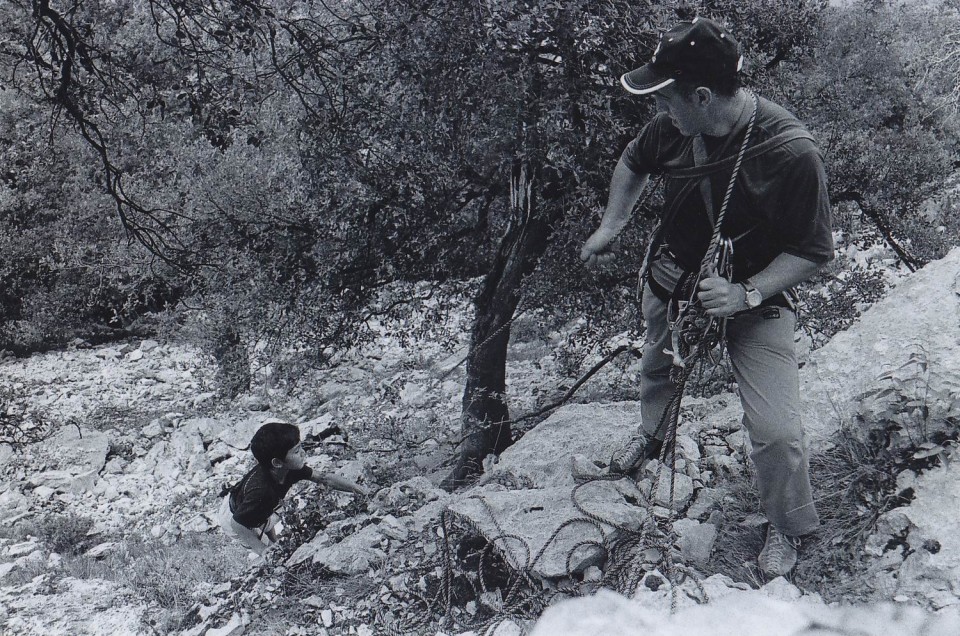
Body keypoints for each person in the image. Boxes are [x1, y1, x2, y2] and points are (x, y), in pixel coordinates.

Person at [580, 16, 833, 577]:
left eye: (667, 98)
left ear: (700, 95)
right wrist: (611, 225)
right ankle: (652, 437)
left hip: (752, 299)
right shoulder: (675, 127)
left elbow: (815, 250)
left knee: (777, 431)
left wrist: (746, 293)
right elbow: (632, 161)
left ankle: (787, 524)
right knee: (656, 366)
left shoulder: (790, 152)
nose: (661, 111)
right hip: (673, 283)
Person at [218, 420, 368, 557]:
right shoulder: (261, 489)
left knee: (267, 514)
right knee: (265, 548)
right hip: (234, 517)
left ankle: (272, 542)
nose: (303, 453)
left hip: (255, 505)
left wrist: (358, 489)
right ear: (277, 463)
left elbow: (323, 477)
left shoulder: (289, 469)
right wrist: (262, 550)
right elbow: (237, 524)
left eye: (300, 447)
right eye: (296, 451)